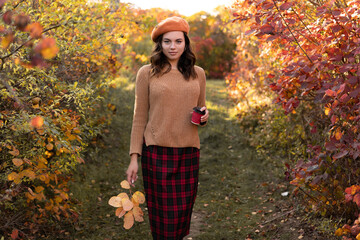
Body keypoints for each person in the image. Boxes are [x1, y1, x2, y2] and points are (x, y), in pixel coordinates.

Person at [126, 16, 209, 240]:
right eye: (167, 42)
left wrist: (203, 116)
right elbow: (139, 117)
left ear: (186, 43)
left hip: (189, 152)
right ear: (160, 45)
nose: (173, 47)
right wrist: (135, 157)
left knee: (182, 216)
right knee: (162, 218)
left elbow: (201, 110)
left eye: (178, 41)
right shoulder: (147, 73)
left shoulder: (197, 73)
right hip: (156, 153)